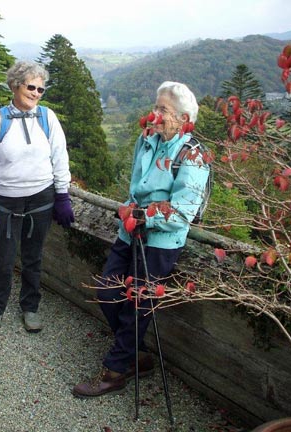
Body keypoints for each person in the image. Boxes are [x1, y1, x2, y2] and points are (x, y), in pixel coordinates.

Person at [72, 81, 210, 397]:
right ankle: (136, 355)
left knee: (138, 305)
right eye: (155, 106)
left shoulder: (193, 155)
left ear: (184, 118)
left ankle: (115, 370)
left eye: (163, 109)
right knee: (108, 293)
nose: (154, 114)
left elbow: (183, 212)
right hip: (129, 231)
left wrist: (144, 216)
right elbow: (137, 186)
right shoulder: (146, 139)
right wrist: (131, 212)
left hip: (161, 243)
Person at [0, 60, 74, 333]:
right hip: (5, 200)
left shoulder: (47, 118)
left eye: (41, 89)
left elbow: (60, 157)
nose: (35, 93)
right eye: (30, 87)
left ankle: (30, 308)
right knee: (4, 259)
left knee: (33, 259)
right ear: (15, 86)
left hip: (41, 199)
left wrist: (63, 195)